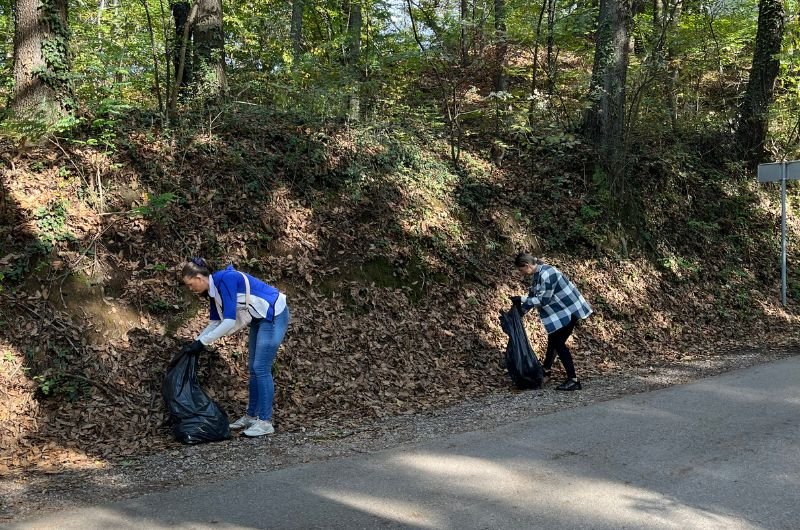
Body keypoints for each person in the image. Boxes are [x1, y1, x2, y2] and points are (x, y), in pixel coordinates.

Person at [180, 258, 290, 437]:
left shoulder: (226, 280)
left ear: (200, 278)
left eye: (191, 285)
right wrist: (196, 341)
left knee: (261, 368)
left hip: (274, 314)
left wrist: (203, 343)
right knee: (254, 369)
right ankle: (252, 416)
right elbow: (215, 322)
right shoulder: (213, 291)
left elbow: (229, 320)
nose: (191, 289)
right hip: (259, 318)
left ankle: (265, 421)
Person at [510, 253, 591, 391]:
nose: (521, 273)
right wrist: (519, 313)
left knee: (558, 343)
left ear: (527, 265)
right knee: (553, 340)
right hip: (563, 311)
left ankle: (573, 380)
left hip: (570, 310)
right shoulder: (537, 274)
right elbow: (533, 296)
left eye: (520, 269)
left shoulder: (548, 274)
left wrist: (521, 299)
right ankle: (546, 370)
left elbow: (543, 300)